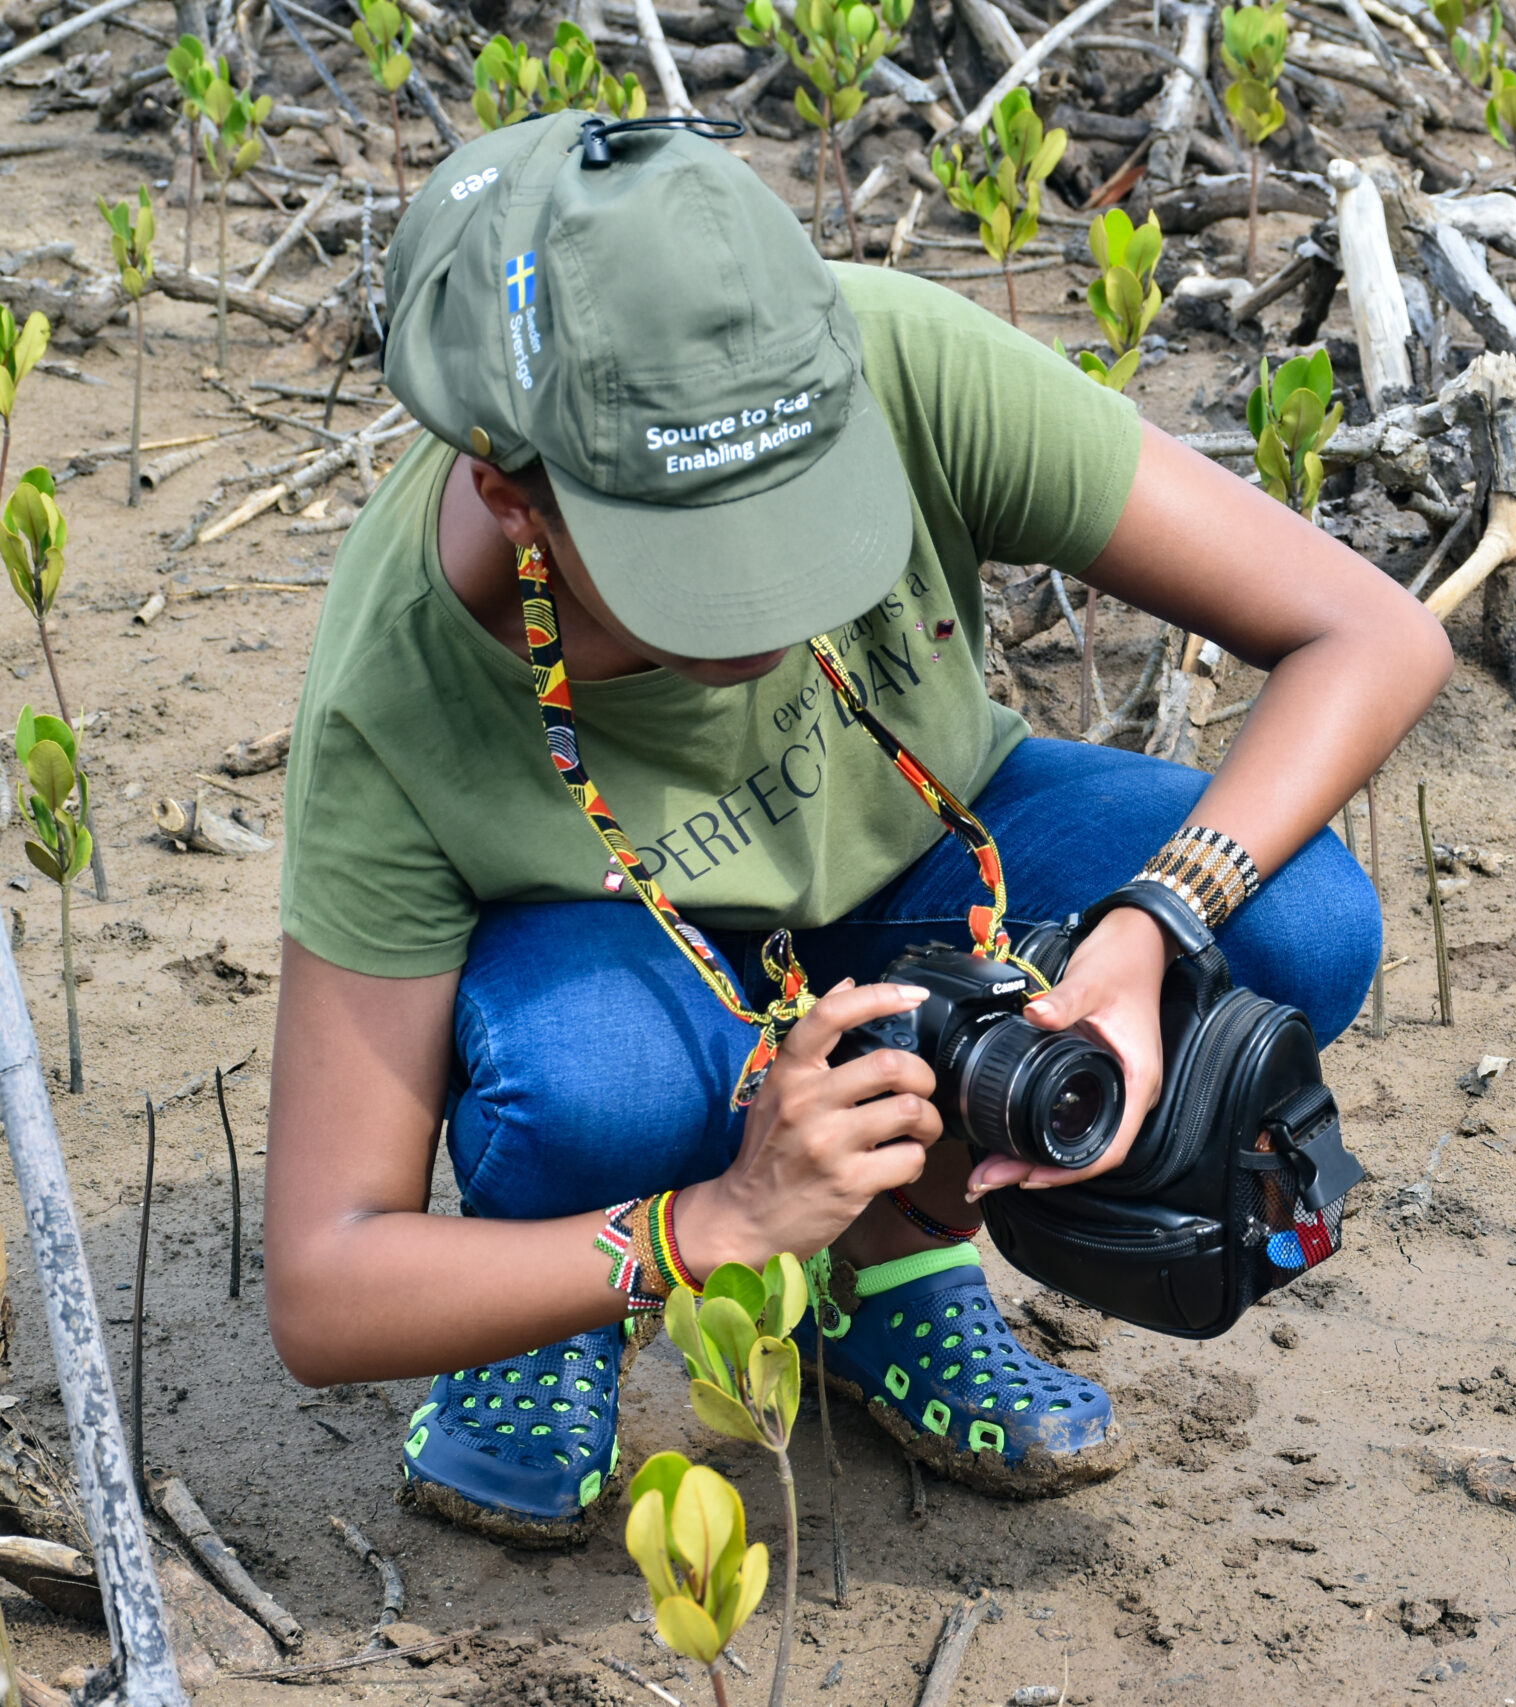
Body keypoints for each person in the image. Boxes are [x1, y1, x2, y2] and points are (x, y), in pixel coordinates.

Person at [263, 110, 1450, 1544]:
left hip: (924, 866)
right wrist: (716, 1224)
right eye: (694, 549)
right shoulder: (397, 689)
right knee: (601, 1089)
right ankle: (550, 1302)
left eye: (794, 506)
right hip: (620, 963)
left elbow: (1372, 635)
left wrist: (1153, 928)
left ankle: (885, 1268)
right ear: (515, 493)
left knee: (1293, 916)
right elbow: (325, 1286)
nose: (769, 595)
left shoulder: (896, 356)